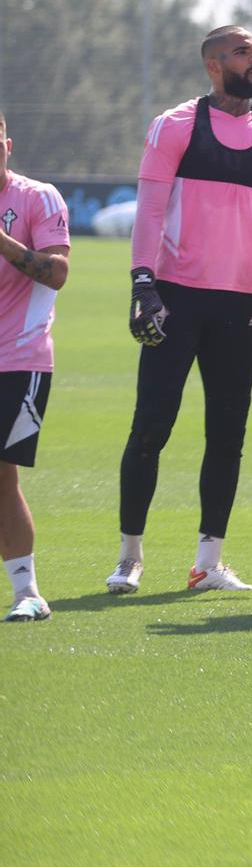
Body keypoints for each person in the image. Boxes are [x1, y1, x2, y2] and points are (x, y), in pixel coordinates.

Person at [110, 25, 252, 596]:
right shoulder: (176, 127)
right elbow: (149, 209)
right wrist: (143, 284)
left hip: (242, 300)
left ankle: (207, 562)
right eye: (243, 52)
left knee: (227, 433)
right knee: (151, 429)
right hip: (177, 298)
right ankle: (129, 556)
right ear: (214, 65)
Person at [0, 112, 70, 622]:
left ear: (6, 144)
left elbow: (57, 271)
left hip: (17, 357)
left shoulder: (36, 197)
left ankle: (28, 592)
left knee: (2, 478)